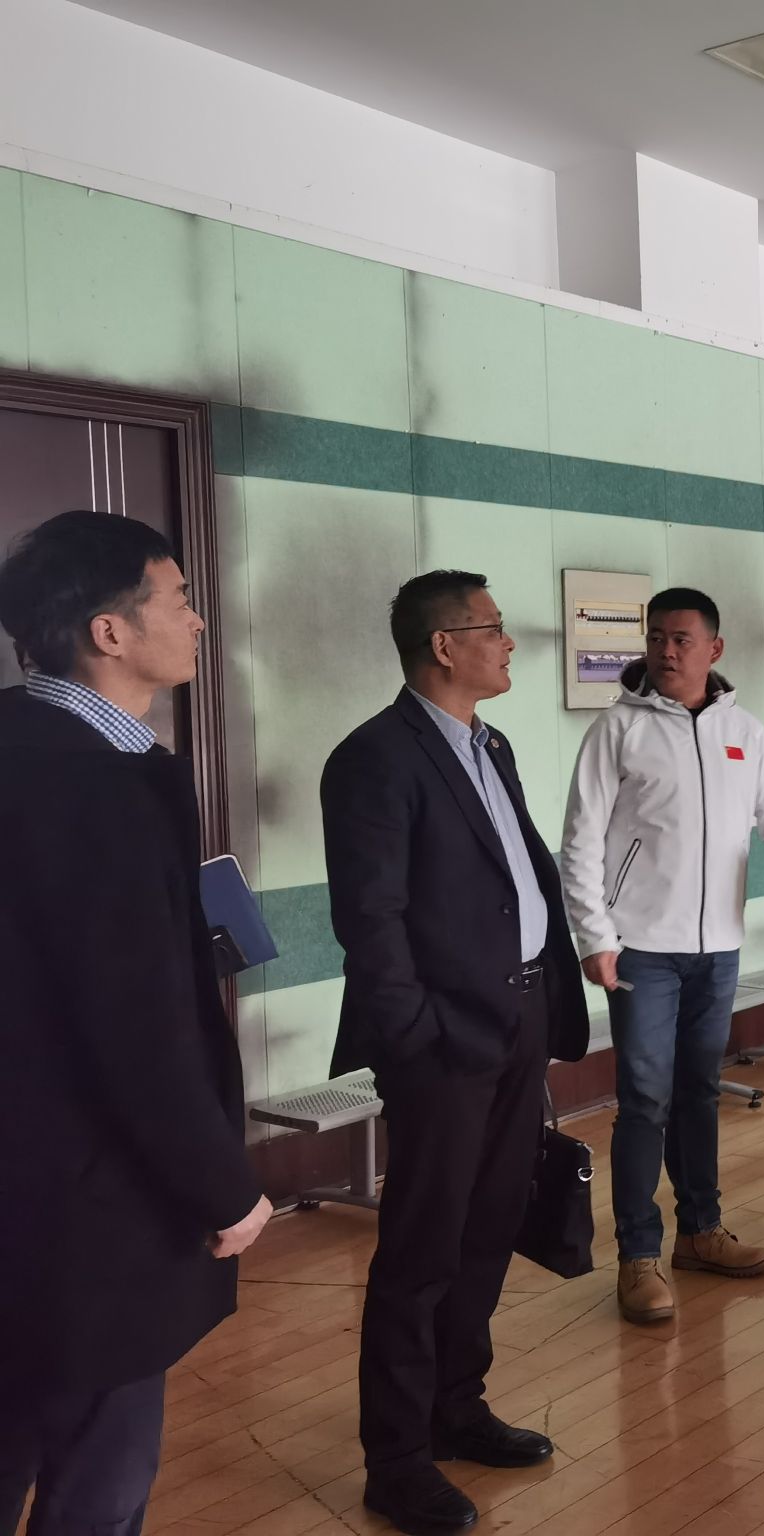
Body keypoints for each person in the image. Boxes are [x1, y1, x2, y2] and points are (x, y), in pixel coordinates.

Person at [0, 511, 271, 1536]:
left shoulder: (23, 743)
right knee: (97, 1482)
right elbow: (137, 1025)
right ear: (109, 632)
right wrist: (224, 1185)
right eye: (180, 598)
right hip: (96, 1205)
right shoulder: (98, 784)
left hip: (21, 1192)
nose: (198, 621)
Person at [321, 571, 589, 1535]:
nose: (510, 643)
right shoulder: (374, 758)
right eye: (494, 628)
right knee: (422, 1249)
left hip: (518, 1020)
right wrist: (415, 1038)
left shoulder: (489, 744)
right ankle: (395, 1460)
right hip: (442, 1042)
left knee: (487, 1228)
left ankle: (455, 1405)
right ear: (444, 646)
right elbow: (371, 919)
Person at [560, 586, 764, 1325]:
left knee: (700, 1093)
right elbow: (581, 840)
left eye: (681, 639)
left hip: (718, 952)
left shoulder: (744, 731)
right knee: (646, 1099)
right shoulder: (617, 731)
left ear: (714, 648)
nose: (666, 650)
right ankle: (638, 1255)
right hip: (642, 951)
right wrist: (596, 937)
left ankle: (701, 1231)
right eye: (656, 638)